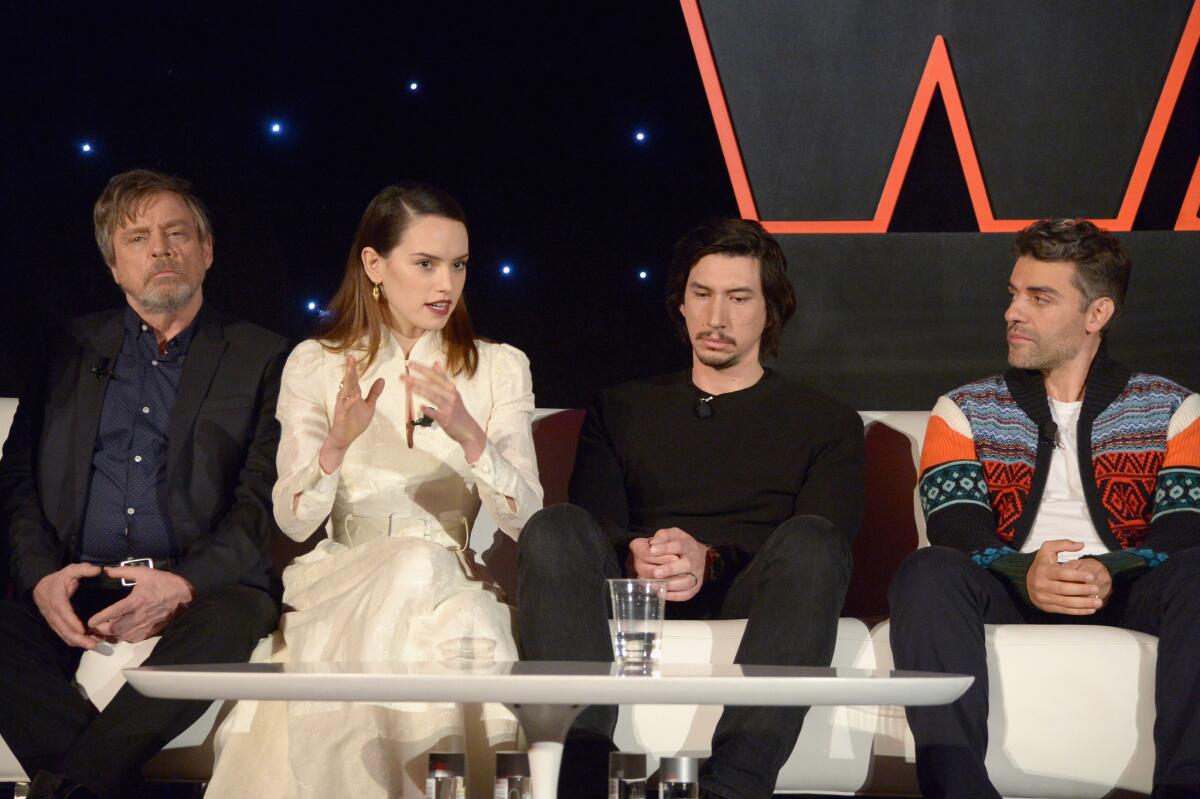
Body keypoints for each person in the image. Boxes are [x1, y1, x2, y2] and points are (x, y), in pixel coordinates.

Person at [206, 184, 543, 799]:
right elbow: (294, 520)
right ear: (373, 266)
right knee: (414, 576)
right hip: (345, 575)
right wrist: (334, 448)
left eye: (459, 265)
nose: (446, 284)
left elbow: (530, 522)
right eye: (425, 263)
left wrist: (472, 437)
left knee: (428, 576)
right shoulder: (315, 362)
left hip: (452, 577)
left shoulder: (499, 366)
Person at [517, 218, 864, 799]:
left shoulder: (825, 421)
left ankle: (732, 786)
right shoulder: (623, 406)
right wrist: (634, 554)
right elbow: (593, 519)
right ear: (680, 304)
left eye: (738, 298)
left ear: (772, 309)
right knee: (554, 527)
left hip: (747, 584)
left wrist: (712, 560)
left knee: (815, 543)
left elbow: (829, 541)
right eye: (701, 295)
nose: (716, 317)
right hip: (635, 584)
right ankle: (579, 775)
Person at [0, 169, 288, 799]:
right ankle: (92, 785)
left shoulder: (264, 356)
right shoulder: (67, 348)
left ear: (205, 251)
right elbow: (18, 478)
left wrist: (183, 583)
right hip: (77, 585)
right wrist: (41, 576)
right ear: (114, 265)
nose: (161, 248)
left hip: (200, 592)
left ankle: (70, 789)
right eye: (138, 237)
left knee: (237, 613)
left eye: (177, 233)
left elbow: (260, 499)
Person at [888, 218, 1200, 798]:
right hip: (1007, 588)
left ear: (1097, 314)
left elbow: (1184, 533)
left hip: (1132, 590)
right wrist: (1022, 572)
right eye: (1013, 294)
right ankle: (957, 789)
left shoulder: (1174, 409)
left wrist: (1112, 569)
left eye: (1040, 297)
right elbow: (955, 528)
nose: (1014, 312)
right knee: (927, 571)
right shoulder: (962, 410)